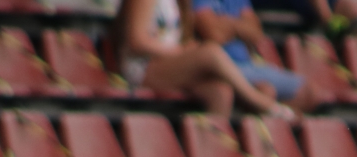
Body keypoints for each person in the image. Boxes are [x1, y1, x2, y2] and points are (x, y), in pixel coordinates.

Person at [116, 0, 295, 118]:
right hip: (143, 68)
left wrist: (187, 48)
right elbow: (136, 42)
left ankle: (216, 155)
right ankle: (259, 101)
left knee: (221, 91)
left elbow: (180, 38)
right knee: (210, 51)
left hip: (169, 64)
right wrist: (179, 52)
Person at [190, 0, 319, 110]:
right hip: (220, 68)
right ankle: (272, 117)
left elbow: (257, 35)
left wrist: (230, 25)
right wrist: (241, 25)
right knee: (265, 90)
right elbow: (214, 34)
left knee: (309, 92)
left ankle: (281, 121)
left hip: (249, 65)